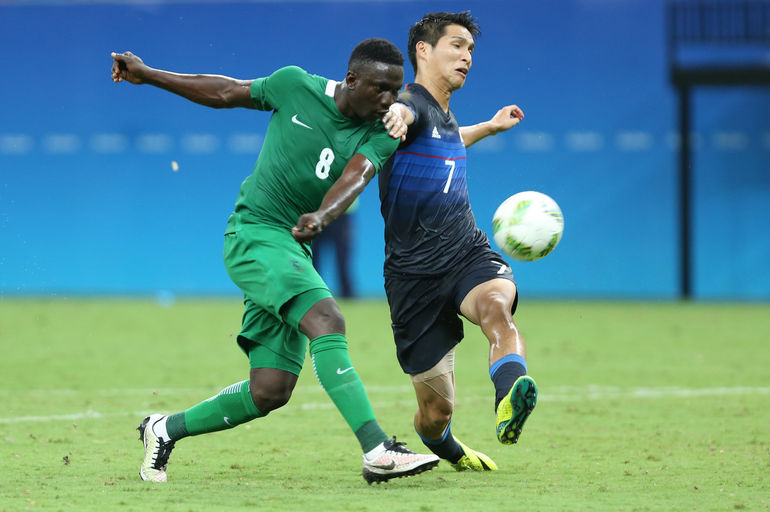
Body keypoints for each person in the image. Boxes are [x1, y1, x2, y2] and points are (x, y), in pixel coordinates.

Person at [110, 38, 439, 485]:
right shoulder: (294, 84)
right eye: (380, 88)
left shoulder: (382, 130)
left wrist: (324, 214)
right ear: (352, 80)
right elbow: (226, 92)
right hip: (253, 233)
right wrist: (148, 74)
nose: (388, 99)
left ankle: (163, 429)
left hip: (290, 247)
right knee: (327, 318)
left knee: (270, 390)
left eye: (395, 90)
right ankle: (378, 449)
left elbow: (357, 174)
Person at [378, 12, 536, 472]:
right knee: (435, 413)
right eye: (457, 46)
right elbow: (405, 114)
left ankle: (510, 393)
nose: (467, 57)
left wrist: (487, 127)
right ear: (423, 51)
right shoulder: (412, 102)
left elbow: (447, 139)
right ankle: (449, 448)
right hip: (412, 279)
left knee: (496, 309)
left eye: (471, 50)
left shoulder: (442, 115)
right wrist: (395, 115)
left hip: (465, 252)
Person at [312, 199, 357, 298]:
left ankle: (348, 296)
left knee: (343, 259)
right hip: (316, 213)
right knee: (312, 258)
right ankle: (312, 294)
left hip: (342, 213)